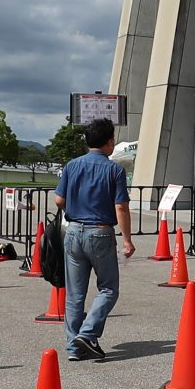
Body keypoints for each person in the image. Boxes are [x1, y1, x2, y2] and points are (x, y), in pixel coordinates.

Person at [49, 118, 134, 362]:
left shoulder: (72, 165)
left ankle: (74, 347)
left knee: (75, 294)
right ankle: (87, 334)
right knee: (108, 289)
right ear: (109, 142)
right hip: (100, 232)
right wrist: (127, 240)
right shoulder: (115, 169)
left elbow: (59, 200)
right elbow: (121, 207)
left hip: (74, 231)